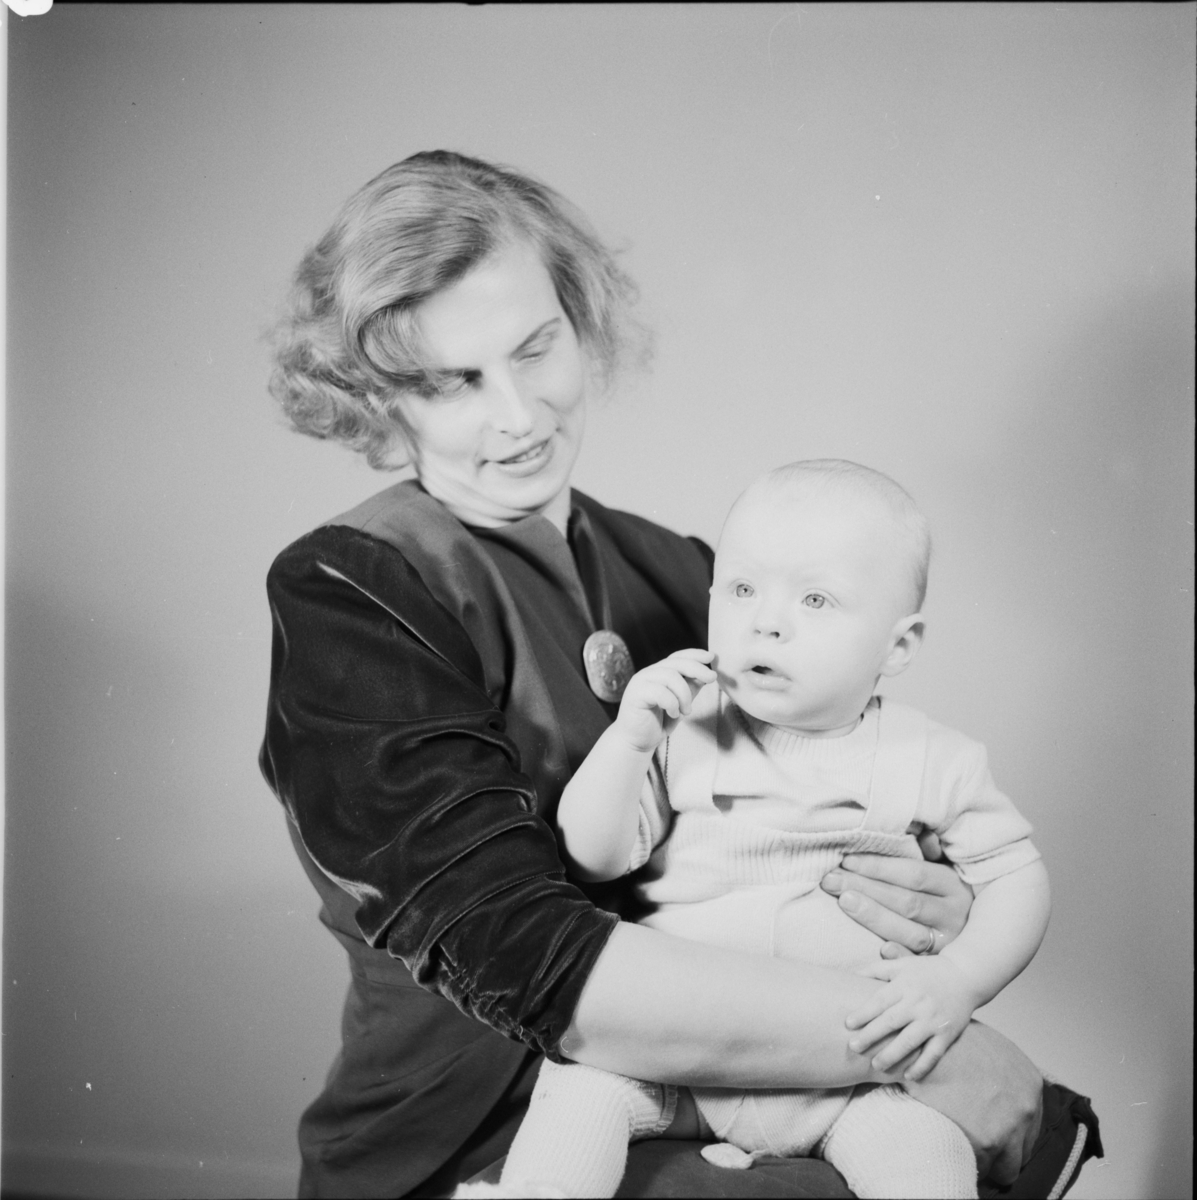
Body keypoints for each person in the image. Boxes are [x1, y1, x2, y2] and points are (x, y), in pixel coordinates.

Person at [259, 150, 1101, 1198]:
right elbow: (520, 957)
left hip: (755, 1081)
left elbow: (835, 804)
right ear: (378, 395)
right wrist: (950, 1056)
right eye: (452, 381)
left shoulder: (687, 570)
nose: (518, 415)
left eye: (536, 347)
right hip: (494, 1111)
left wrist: (928, 901)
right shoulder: (353, 589)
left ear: (580, 319)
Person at [484, 460, 1053, 1199]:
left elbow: (1015, 877)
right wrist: (626, 743)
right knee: (577, 1090)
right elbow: (594, 858)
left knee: (924, 1149)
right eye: (742, 589)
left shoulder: (931, 758)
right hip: (673, 1064)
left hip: (842, 1081)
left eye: (815, 598)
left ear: (898, 647)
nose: (767, 620)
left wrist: (958, 980)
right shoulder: (684, 730)